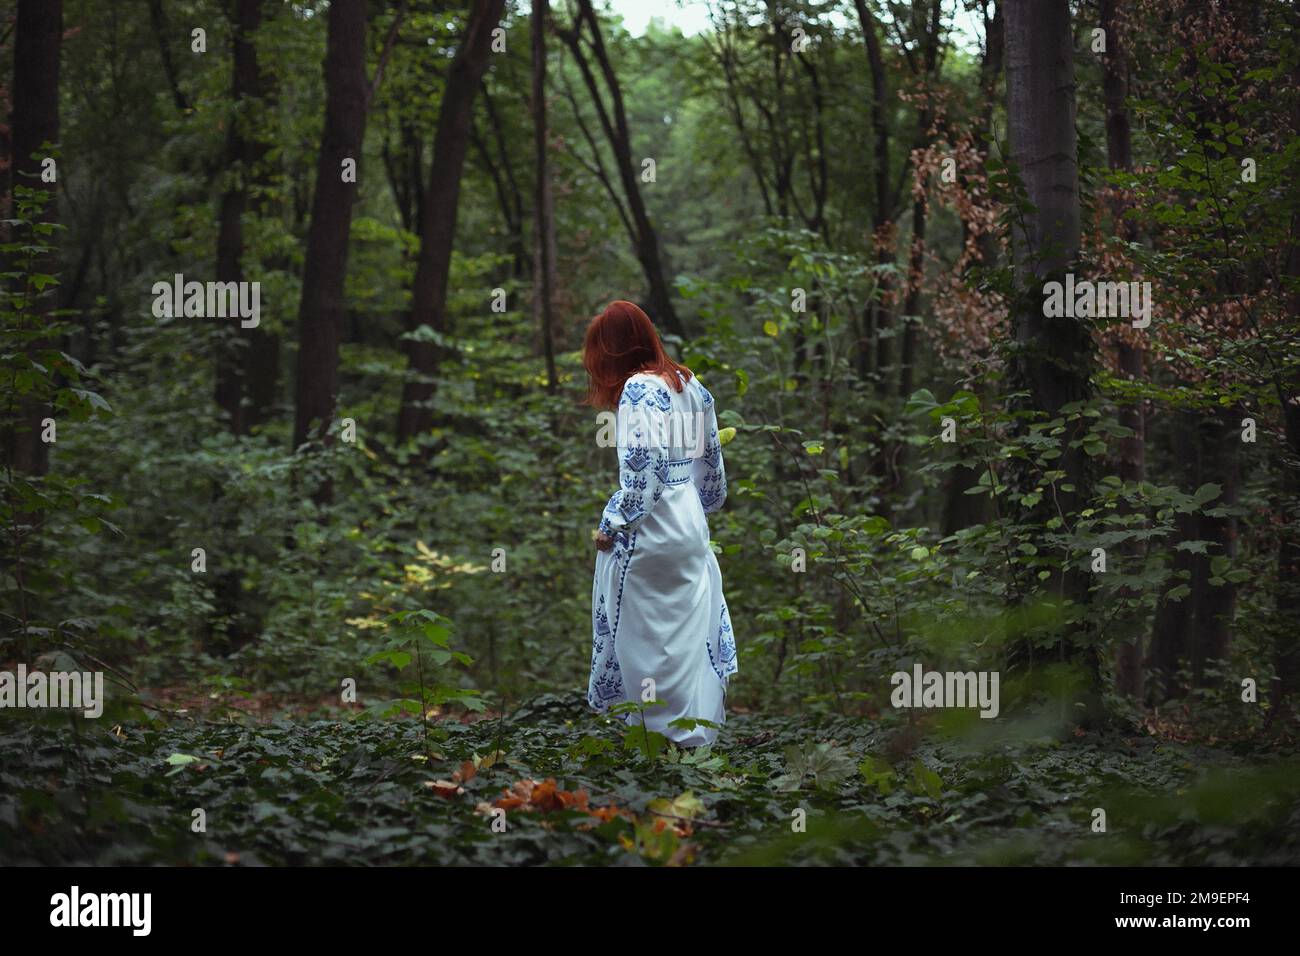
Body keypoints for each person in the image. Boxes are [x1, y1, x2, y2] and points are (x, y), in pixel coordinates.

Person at [583, 300, 737, 748]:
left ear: (610, 353)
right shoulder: (691, 386)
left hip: (651, 534)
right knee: (686, 642)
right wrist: (695, 507)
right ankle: (693, 744)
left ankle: (656, 746)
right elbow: (714, 475)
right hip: (688, 527)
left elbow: (641, 476)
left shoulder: (636, 390)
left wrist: (611, 524)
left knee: (643, 644)